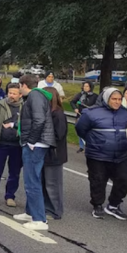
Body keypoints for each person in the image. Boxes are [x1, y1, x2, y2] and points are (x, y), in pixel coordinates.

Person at [75, 87, 127, 221]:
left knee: (123, 180)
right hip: (97, 154)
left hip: (120, 154)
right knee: (98, 180)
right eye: (114, 99)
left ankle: (113, 205)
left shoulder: (124, 113)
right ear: (107, 99)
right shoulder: (91, 113)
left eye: (119, 99)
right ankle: (97, 204)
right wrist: (92, 141)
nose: (117, 102)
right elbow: (80, 129)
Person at [13, 75, 55, 230]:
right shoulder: (37, 96)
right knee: (31, 179)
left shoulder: (34, 96)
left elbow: (39, 120)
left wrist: (31, 140)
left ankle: (39, 219)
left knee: (32, 180)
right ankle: (31, 212)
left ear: (24, 85)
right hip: (37, 142)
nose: (19, 89)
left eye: (19, 86)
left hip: (35, 143)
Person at [0, 83, 23, 207]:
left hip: (17, 145)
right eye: (10, 93)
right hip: (0, 144)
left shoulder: (25, 107)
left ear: (20, 95)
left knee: (14, 173)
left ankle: (10, 196)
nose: (11, 95)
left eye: (14, 93)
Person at [44, 88, 69, 220]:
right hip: (46, 153)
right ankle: (46, 208)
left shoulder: (57, 114)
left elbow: (59, 134)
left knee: (53, 184)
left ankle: (55, 211)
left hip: (54, 154)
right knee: (45, 183)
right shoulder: (47, 112)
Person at [72, 81, 98, 153]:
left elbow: (98, 105)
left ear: (90, 87)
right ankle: (81, 147)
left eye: (87, 86)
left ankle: (89, 146)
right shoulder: (79, 95)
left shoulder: (95, 96)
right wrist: (75, 108)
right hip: (80, 115)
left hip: (90, 117)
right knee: (80, 131)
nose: (85, 88)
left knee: (89, 132)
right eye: (84, 86)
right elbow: (72, 102)